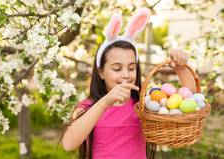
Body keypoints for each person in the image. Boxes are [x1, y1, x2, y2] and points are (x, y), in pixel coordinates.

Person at [61, 7, 196, 159]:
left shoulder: (143, 105)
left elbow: (188, 102)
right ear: (100, 72)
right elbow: (69, 143)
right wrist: (104, 102)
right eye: (117, 68)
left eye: (131, 68)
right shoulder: (87, 108)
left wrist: (181, 68)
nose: (126, 75)